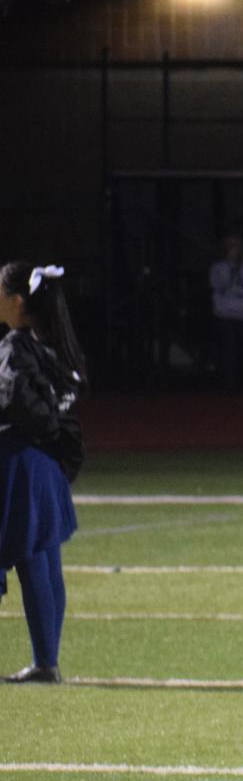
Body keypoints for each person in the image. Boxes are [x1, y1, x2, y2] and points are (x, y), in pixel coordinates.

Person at [0, 262, 85, 684]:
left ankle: (45, 662)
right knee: (46, 561)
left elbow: (20, 407)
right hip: (47, 465)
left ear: (17, 301)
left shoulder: (17, 346)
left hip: (20, 464)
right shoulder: (53, 343)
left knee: (31, 561)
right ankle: (46, 660)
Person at [210, 233, 243, 391]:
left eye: (236, 246)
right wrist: (230, 269)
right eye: (230, 246)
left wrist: (241, 272)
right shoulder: (218, 267)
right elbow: (217, 284)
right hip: (224, 313)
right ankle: (228, 385)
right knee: (227, 350)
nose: (234, 249)